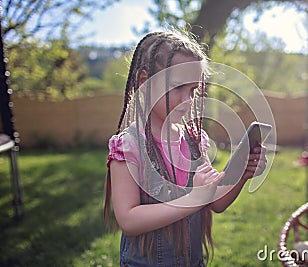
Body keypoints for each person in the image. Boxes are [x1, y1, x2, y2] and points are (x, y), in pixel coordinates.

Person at [104, 29, 267, 267]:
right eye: (178, 87)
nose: (187, 100)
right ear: (144, 81)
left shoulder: (193, 141)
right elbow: (129, 219)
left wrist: (243, 173)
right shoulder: (129, 146)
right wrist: (193, 199)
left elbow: (216, 202)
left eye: (192, 90)